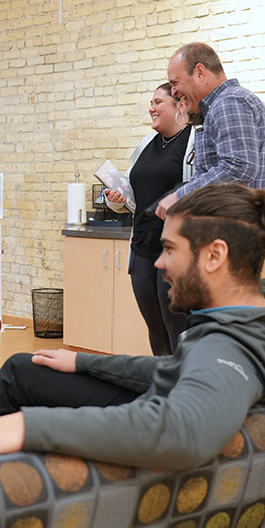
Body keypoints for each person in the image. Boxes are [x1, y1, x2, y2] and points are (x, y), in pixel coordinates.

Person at [0, 183, 265, 471]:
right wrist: (84, 363)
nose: (159, 263)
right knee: (25, 367)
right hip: (157, 401)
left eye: (170, 249)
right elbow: (175, 368)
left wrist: (27, 426)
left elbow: (183, 432)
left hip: (144, 432)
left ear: (215, 255)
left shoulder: (226, 349)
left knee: (17, 381)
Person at [105, 82, 194, 355]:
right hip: (142, 245)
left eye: (158, 102)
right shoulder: (146, 144)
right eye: (151, 103)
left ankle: (185, 389)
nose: (151, 108)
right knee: (154, 326)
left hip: (174, 248)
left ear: (180, 105)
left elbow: (199, 191)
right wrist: (116, 199)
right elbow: (133, 195)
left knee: (176, 325)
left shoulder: (194, 141)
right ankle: (162, 385)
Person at [156, 43, 265, 219]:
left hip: (239, 230)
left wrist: (181, 196)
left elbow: (239, 167)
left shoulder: (228, 102)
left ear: (200, 72)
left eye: (175, 83)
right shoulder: (222, 105)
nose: (174, 92)